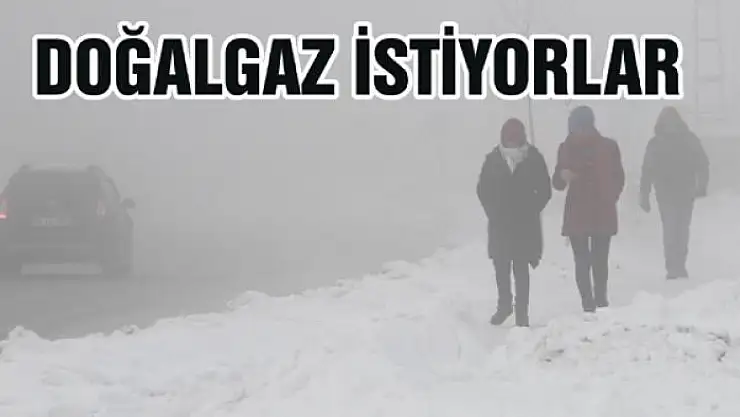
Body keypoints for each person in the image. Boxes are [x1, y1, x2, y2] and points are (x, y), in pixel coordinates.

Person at [477, 118, 552, 327]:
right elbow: (482, 189)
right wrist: (492, 211)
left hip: (524, 225)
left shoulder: (533, 158)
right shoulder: (493, 159)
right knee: (501, 266)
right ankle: (504, 305)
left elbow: (545, 190)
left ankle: (522, 313)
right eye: (508, 138)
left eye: (515, 138)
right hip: (499, 223)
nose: (511, 141)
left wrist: (532, 208)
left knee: (521, 269)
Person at [552, 106, 625, 313]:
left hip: (586, 210)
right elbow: (619, 178)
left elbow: (618, 177)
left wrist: (610, 196)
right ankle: (596, 301)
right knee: (594, 259)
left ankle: (592, 302)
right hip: (595, 210)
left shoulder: (574, 148)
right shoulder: (605, 147)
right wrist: (562, 176)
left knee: (587, 260)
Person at [639, 106, 709, 279]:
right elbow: (647, 171)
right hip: (672, 193)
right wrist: (644, 195)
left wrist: (701, 186)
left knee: (678, 229)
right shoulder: (683, 140)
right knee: (674, 229)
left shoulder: (659, 143)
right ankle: (674, 266)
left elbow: (702, 163)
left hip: (679, 192)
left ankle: (677, 265)